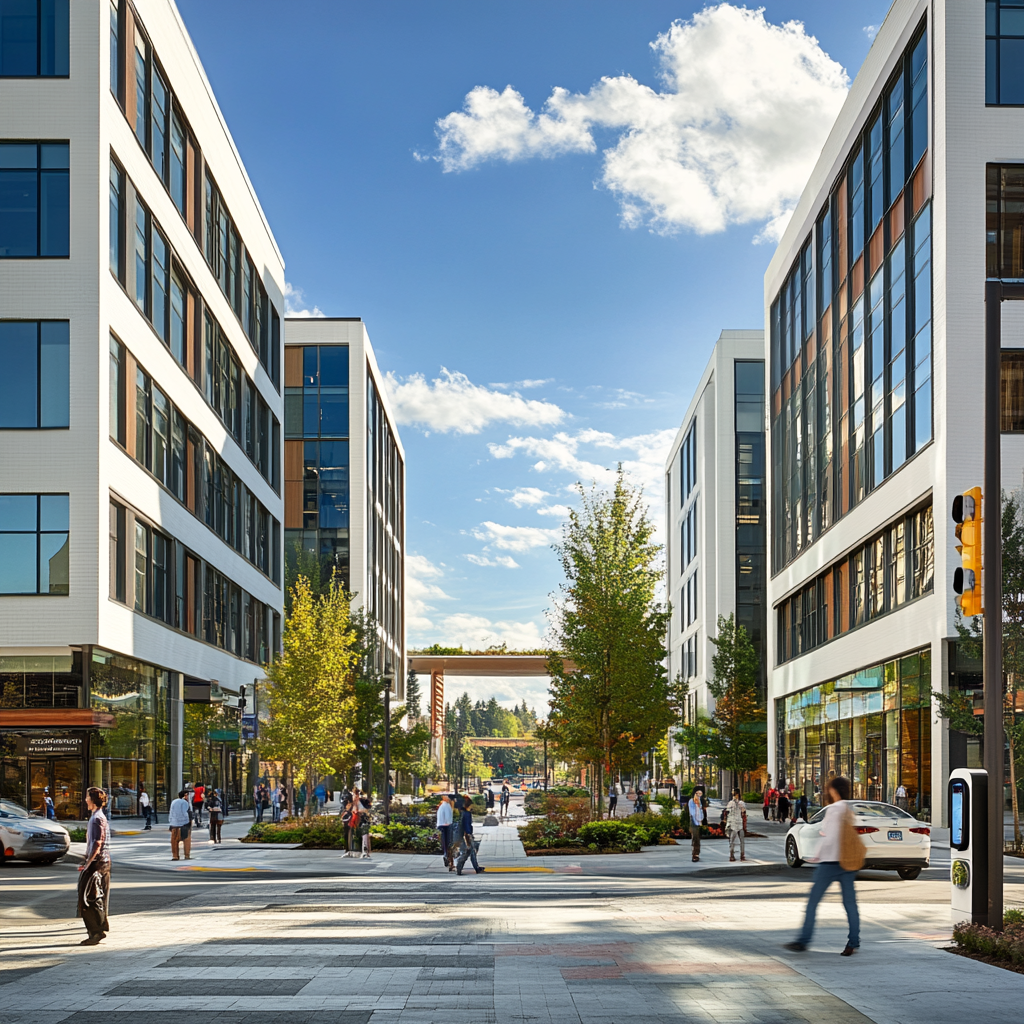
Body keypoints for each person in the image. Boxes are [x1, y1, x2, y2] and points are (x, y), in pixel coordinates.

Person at [785, 776, 861, 957]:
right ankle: (853, 941)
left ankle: (803, 940)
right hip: (847, 863)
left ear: (833, 790)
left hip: (829, 862)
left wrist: (817, 854)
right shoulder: (848, 809)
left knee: (812, 903)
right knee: (850, 904)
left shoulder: (834, 809)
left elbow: (830, 836)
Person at [77, 787, 111, 946]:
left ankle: (96, 932)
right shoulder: (97, 817)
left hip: (97, 863)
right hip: (101, 861)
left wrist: (88, 864)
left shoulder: (97, 818)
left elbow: (97, 843)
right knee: (95, 896)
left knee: (88, 898)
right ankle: (97, 929)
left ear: (93, 799)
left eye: (87, 797)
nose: (85, 800)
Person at [455, 799, 485, 875]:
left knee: (472, 852)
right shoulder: (467, 814)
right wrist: (469, 835)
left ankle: (476, 867)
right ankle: (459, 864)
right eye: (471, 805)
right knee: (467, 852)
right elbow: (467, 826)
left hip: (463, 835)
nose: (473, 806)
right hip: (466, 835)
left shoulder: (463, 813)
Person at [168, 790, 193, 860]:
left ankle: (175, 856)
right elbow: (184, 813)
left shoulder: (174, 801)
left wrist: (171, 822)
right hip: (184, 824)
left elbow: (171, 812)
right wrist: (188, 821)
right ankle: (187, 855)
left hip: (174, 824)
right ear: (185, 795)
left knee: (174, 841)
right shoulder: (185, 802)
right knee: (186, 840)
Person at [724, 788, 747, 862]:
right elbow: (727, 812)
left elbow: (743, 813)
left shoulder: (741, 803)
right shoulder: (730, 803)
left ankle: (742, 855)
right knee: (732, 840)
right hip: (733, 822)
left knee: (740, 840)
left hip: (739, 822)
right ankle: (732, 855)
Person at [687, 786, 705, 862]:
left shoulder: (701, 801)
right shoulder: (691, 801)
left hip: (699, 821)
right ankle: (694, 854)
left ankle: (697, 853)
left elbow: (702, 812)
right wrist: (697, 805)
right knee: (695, 837)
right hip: (694, 821)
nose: (699, 795)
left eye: (700, 793)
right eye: (697, 793)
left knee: (697, 838)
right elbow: (692, 812)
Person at [437, 794, 454, 868]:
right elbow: (448, 818)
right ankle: (447, 857)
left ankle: (446, 855)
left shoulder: (442, 806)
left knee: (444, 842)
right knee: (448, 843)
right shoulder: (447, 806)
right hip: (446, 826)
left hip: (440, 825)